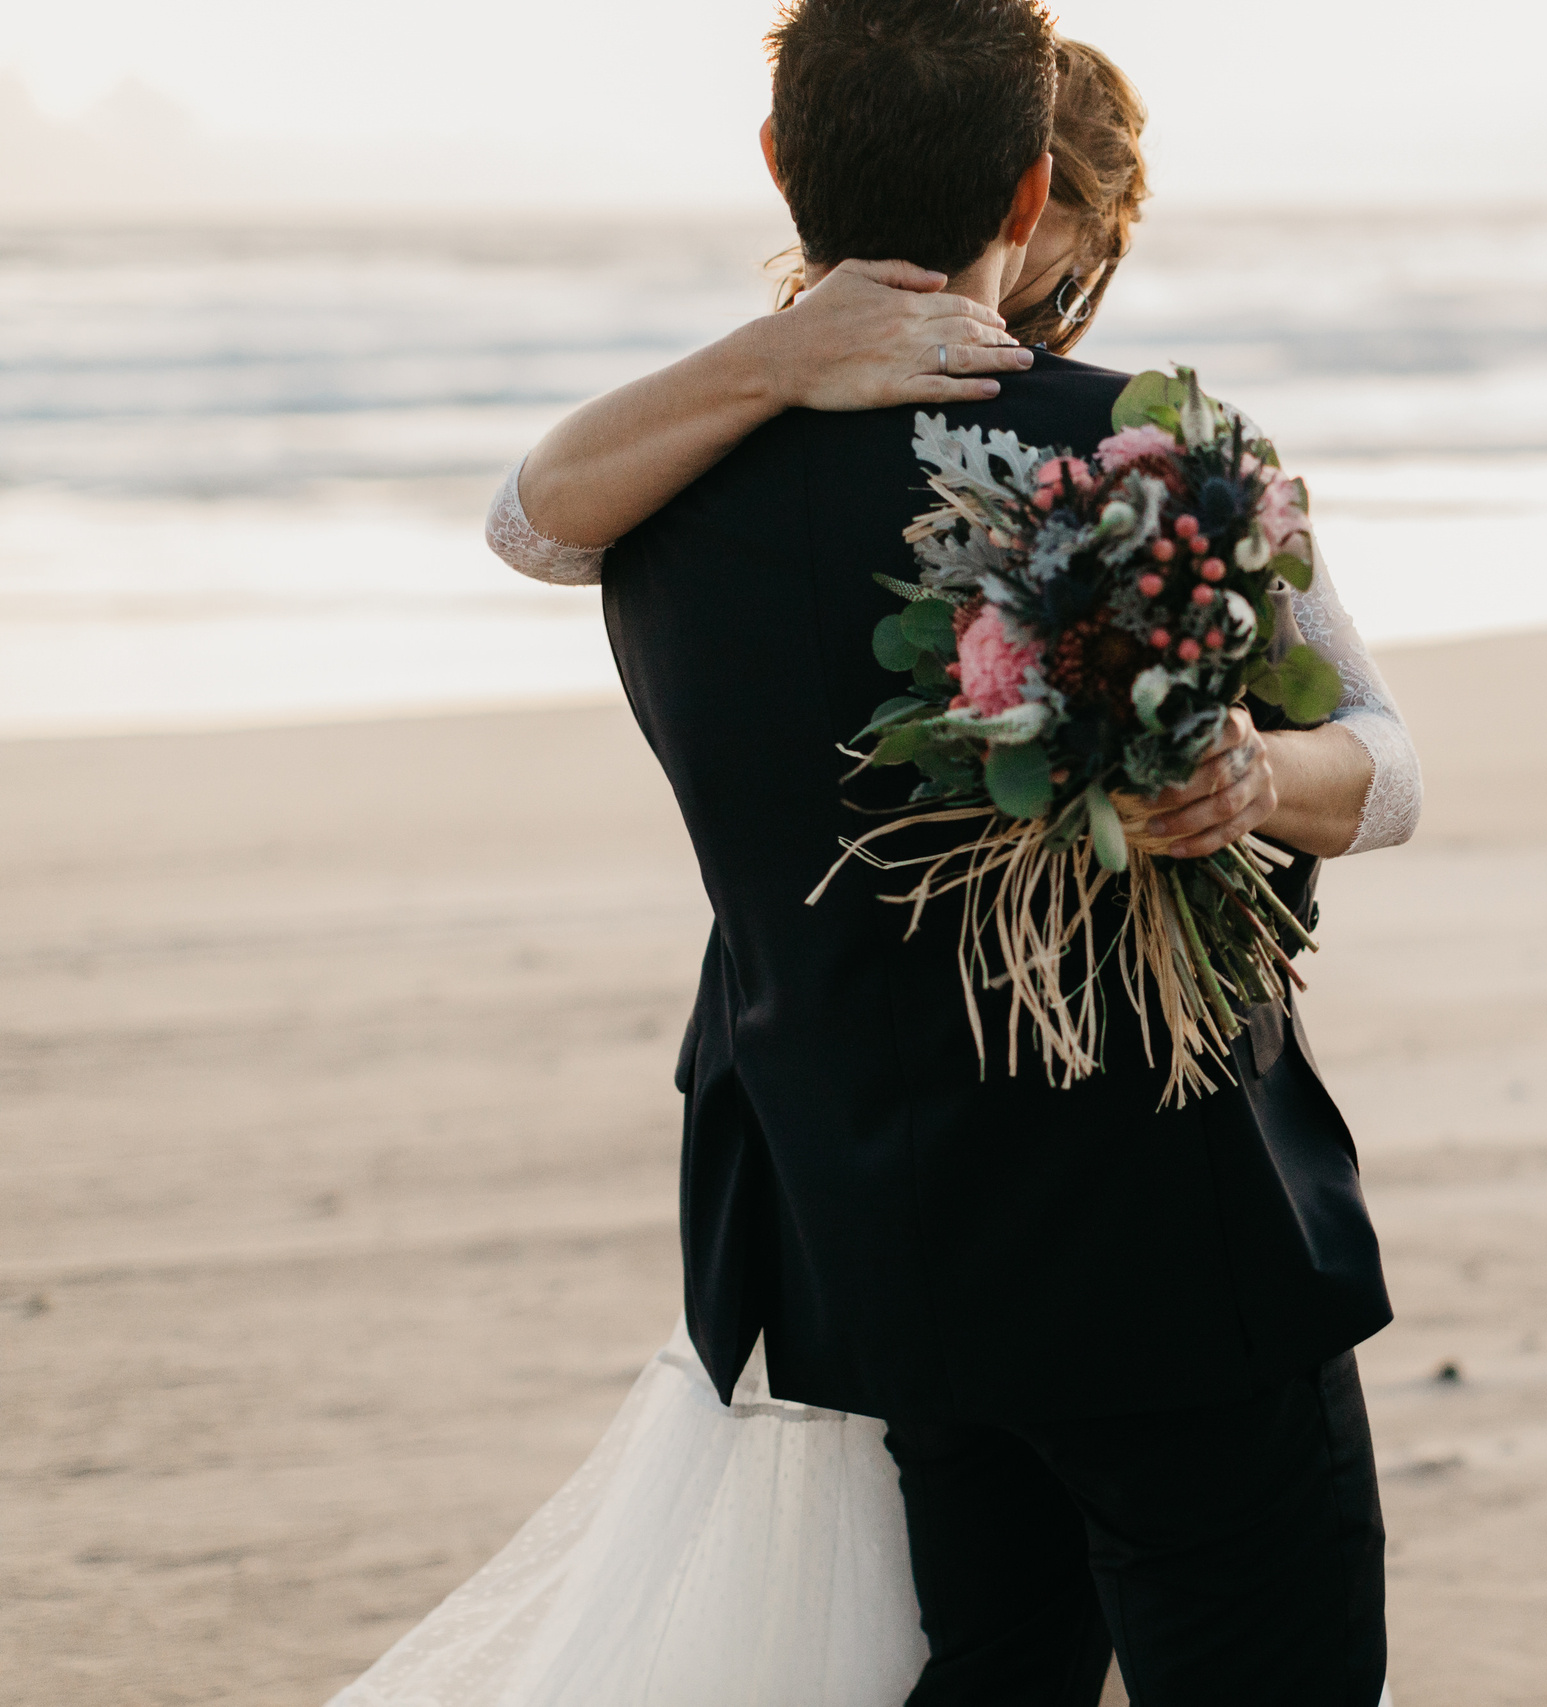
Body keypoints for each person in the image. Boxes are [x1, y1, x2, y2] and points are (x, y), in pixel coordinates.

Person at [331, 6, 1418, 1706]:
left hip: (875, 1236)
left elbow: (524, 519)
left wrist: (765, 363)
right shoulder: (1154, 460)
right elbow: (1387, 771)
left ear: (778, 160)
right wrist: (1261, 776)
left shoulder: (650, 494)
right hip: (1171, 1237)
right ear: (1033, 187)